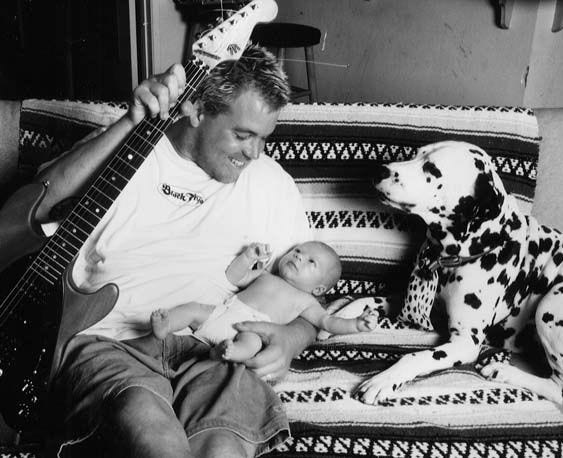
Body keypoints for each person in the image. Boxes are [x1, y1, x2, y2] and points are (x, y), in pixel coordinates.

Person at [34, 45, 316, 458]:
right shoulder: (127, 148)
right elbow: (38, 201)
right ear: (198, 110)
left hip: (215, 351)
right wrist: (132, 120)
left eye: (264, 138)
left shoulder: (271, 184)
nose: (254, 154)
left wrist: (292, 338)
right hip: (112, 342)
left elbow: (309, 297)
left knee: (221, 451)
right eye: (242, 135)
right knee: (157, 443)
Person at [150, 241, 377, 361]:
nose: (298, 256)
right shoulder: (265, 274)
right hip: (221, 313)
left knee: (253, 344)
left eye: (311, 261)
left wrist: (356, 325)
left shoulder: (307, 302)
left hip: (249, 330)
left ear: (318, 288)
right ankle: (167, 325)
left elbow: (328, 323)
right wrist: (248, 257)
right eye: (298, 250)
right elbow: (235, 277)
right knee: (193, 309)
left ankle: (228, 353)